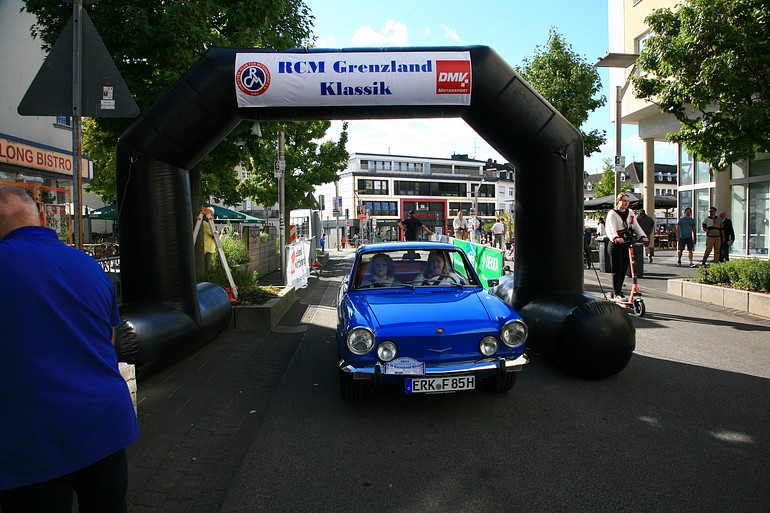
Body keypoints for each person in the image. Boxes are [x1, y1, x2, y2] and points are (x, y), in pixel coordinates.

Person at [0, 187, 139, 512]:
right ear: (41, 218)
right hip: (105, 425)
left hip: (34, 440)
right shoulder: (87, 265)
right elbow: (109, 338)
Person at [605, 192, 648, 300]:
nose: (626, 203)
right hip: (616, 243)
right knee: (617, 269)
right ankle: (616, 293)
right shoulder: (612, 213)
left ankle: (619, 291)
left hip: (626, 242)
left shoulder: (630, 213)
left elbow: (635, 225)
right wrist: (615, 237)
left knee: (624, 268)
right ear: (618, 201)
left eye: (628, 201)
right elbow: (610, 228)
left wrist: (642, 236)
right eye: (624, 201)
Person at [202, 208, 217, 273]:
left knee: (208, 266)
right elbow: (214, 235)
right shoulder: (205, 224)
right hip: (207, 249)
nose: (212, 217)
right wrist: (220, 232)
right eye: (212, 215)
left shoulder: (204, 224)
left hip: (207, 249)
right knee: (207, 268)